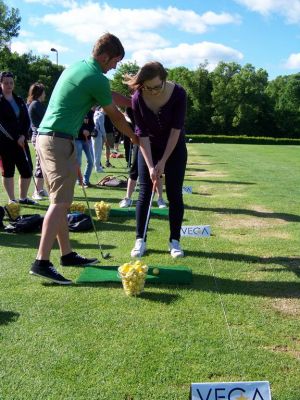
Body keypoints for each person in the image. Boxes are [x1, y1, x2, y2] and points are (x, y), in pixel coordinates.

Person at [30, 32, 138, 285]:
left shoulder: (81, 67)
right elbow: (117, 116)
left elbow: (111, 95)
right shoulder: (94, 77)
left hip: (55, 139)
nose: (115, 66)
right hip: (57, 140)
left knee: (62, 201)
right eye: (114, 61)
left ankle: (66, 255)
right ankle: (41, 262)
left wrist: (137, 100)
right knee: (59, 203)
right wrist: (134, 137)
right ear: (103, 55)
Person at [124, 61, 187, 258]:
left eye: (156, 87)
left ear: (164, 79)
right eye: (147, 88)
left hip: (174, 148)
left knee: (175, 194)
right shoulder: (137, 98)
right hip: (148, 147)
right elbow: (141, 133)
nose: (152, 92)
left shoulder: (179, 94)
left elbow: (176, 130)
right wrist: (151, 165)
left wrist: (163, 162)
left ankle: (174, 241)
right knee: (144, 192)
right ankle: (140, 240)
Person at [0, 71, 36, 205]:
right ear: (1, 84)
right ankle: (12, 199)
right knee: (8, 171)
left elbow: (27, 120)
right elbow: (1, 125)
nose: (9, 85)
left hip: (21, 141)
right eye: (6, 83)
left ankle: (23, 198)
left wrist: (23, 135)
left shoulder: (19, 100)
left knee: (27, 170)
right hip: (5, 143)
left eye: (11, 82)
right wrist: (16, 137)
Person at [119, 108, 167, 209]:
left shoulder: (157, 104)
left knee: (157, 170)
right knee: (134, 171)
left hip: (156, 141)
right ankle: (127, 198)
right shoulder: (132, 107)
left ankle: (160, 199)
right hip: (140, 141)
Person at [27, 82, 48, 200]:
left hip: (40, 136)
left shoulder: (37, 104)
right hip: (39, 136)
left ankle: (40, 189)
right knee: (40, 164)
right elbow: (46, 120)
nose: (45, 94)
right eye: (44, 92)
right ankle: (36, 192)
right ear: (40, 93)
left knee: (43, 164)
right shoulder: (36, 105)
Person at [75, 109, 94, 187]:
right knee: (78, 162)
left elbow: (92, 125)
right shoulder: (77, 110)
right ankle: (79, 180)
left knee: (91, 161)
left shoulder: (90, 112)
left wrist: (89, 131)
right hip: (77, 139)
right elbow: (75, 124)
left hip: (87, 140)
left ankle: (86, 180)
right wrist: (82, 130)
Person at [92, 106, 106, 173]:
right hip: (98, 135)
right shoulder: (101, 115)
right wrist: (105, 136)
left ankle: (95, 166)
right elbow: (102, 128)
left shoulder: (95, 113)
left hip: (93, 134)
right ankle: (97, 168)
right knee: (98, 152)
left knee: (94, 151)